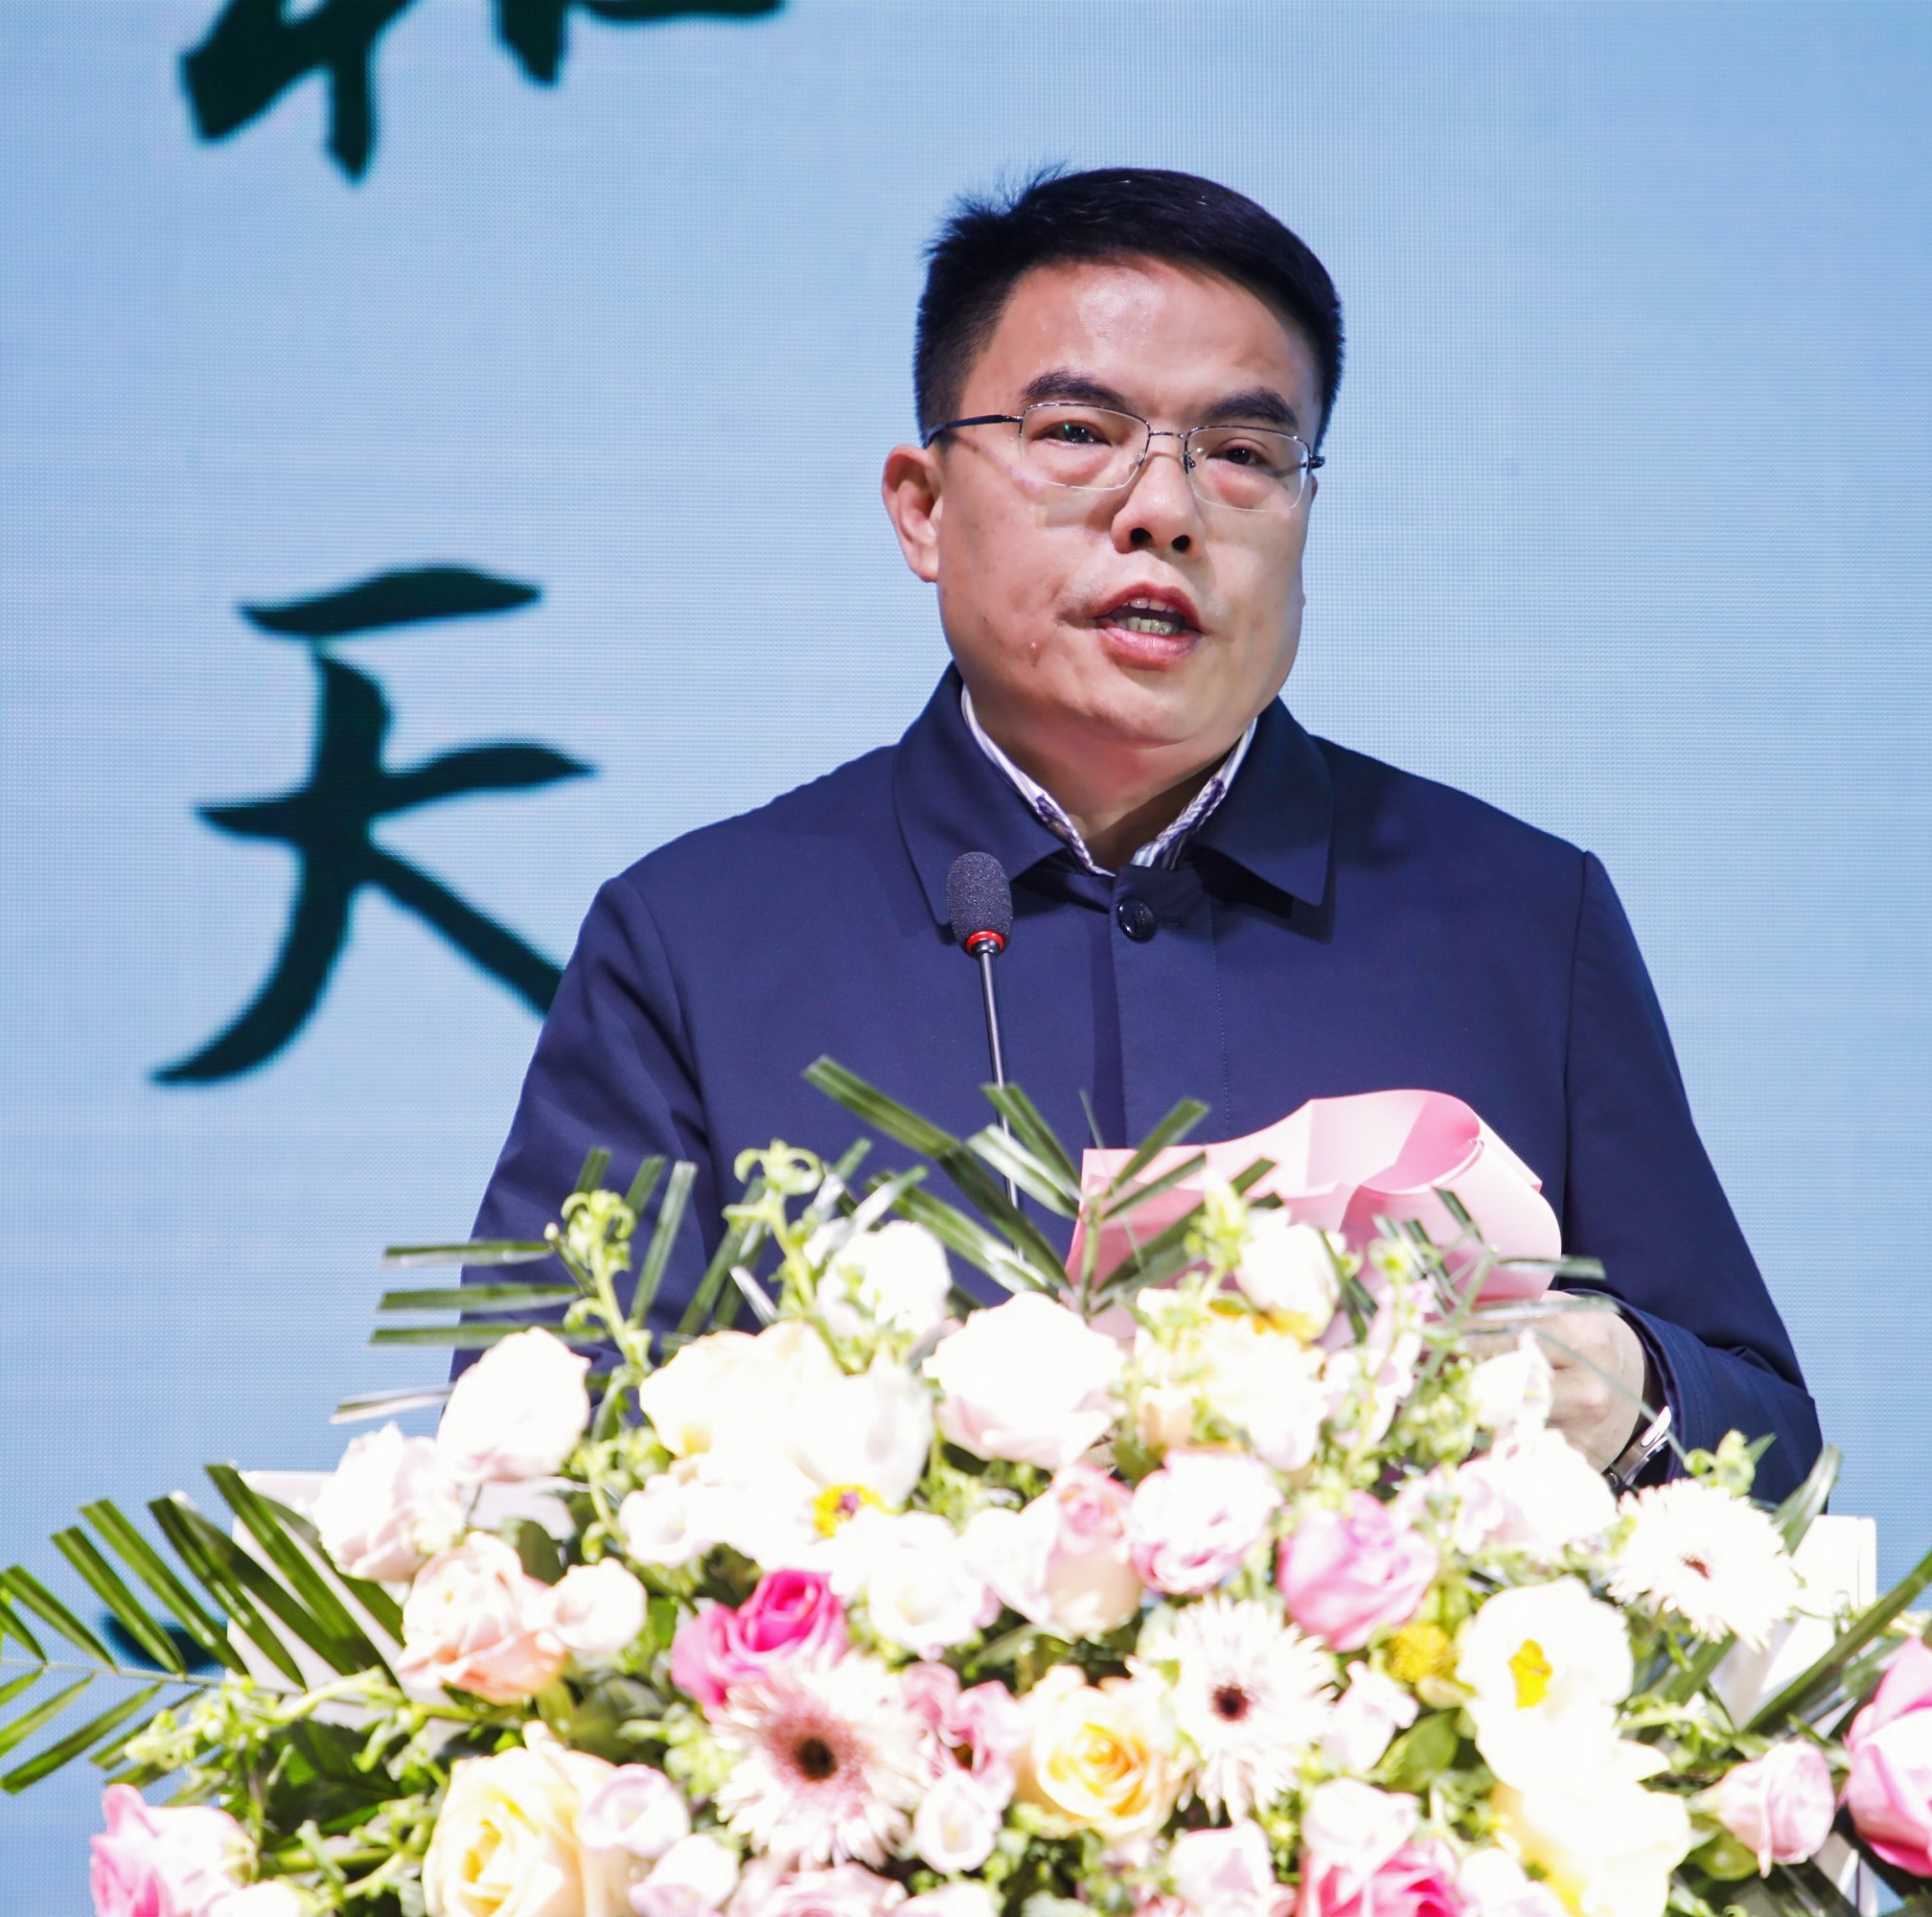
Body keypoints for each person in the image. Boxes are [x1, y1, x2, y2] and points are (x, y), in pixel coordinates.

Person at [467, 167, 1820, 1498]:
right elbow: (532, 1480)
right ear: (923, 509)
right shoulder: (696, 941)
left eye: (1242, 455)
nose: (1163, 511)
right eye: (1076, 433)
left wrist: (1623, 1391)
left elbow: (1768, 1439)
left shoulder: (1520, 920)